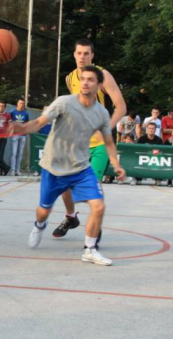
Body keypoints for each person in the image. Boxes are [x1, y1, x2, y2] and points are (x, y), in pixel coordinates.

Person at [10, 65, 125, 266]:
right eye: (83, 79)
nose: (85, 82)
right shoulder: (64, 102)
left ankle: (89, 249)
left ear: (99, 85)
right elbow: (38, 122)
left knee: (98, 206)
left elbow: (108, 142)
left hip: (80, 168)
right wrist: (23, 128)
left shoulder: (101, 113)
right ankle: (40, 224)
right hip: (54, 166)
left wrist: (116, 164)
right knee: (43, 211)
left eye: (90, 79)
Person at [54, 38, 126, 241]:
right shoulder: (70, 78)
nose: (82, 57)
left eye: (86, 53)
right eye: (79, 53)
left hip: (101, 142)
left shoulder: (103, 76)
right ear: (74, 55)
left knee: (92, 186)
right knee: (63, 184)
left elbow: (121, 106)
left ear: (92, 56)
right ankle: (71, 217)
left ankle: (95, 228)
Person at [9, 98, 29, 176]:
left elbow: (26, 123)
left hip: (23, 135)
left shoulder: (26, 113)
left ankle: (18, 170)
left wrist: (26, 131)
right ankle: (13, 170)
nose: (21, 105)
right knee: (14, 153)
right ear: (17, 104)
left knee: (20, 153)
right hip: (14, 135)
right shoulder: (12, 112)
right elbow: (10, 123)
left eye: (23, 103)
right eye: (20, 103)